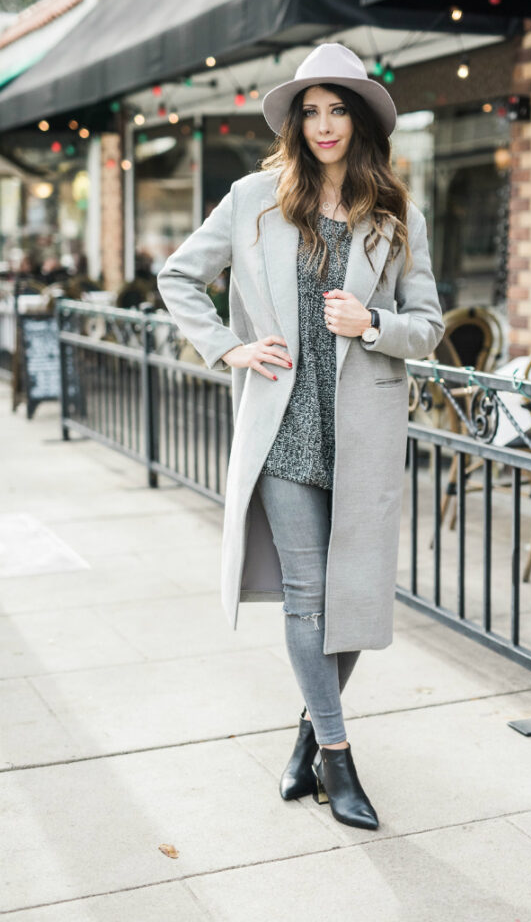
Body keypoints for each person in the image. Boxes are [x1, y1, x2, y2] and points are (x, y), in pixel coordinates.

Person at [157, 43, 445, 831]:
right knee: (308, 598)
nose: (323, 124)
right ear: (293, 121)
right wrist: (228, 346)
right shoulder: (252, 198)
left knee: (349, 598)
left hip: (362, 430)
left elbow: (429, 326)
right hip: (284, 426)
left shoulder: (397, 216)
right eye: (310, 110)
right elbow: (177, 277)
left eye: (337, 108)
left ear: (360, 119)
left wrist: (374, 323)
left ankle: (305, 741)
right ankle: (341, 761)